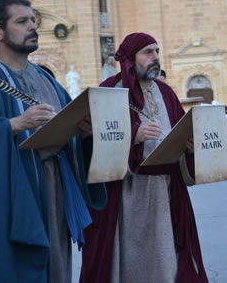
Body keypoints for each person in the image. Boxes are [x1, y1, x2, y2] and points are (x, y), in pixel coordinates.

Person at [0, 0, 106, 283]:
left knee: (56, 266)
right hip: (11, 197)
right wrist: (14, 125)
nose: (33, 26)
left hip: (55, 186)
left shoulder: (49, 82)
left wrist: (85, 134)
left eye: (33, 20)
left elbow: (69, 131)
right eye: (22, 21)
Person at [80, 32, 208, 283]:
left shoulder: (166, 92)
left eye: (157, 51)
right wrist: (133, 137)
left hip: (166, 191)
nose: (155, 57)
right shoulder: (109, 91)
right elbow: (92, 145)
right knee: (128, 263)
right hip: (126, 194)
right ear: (130, 59)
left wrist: (190, 148)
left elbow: (181, 131)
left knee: (168, 262)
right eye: (148, 52)